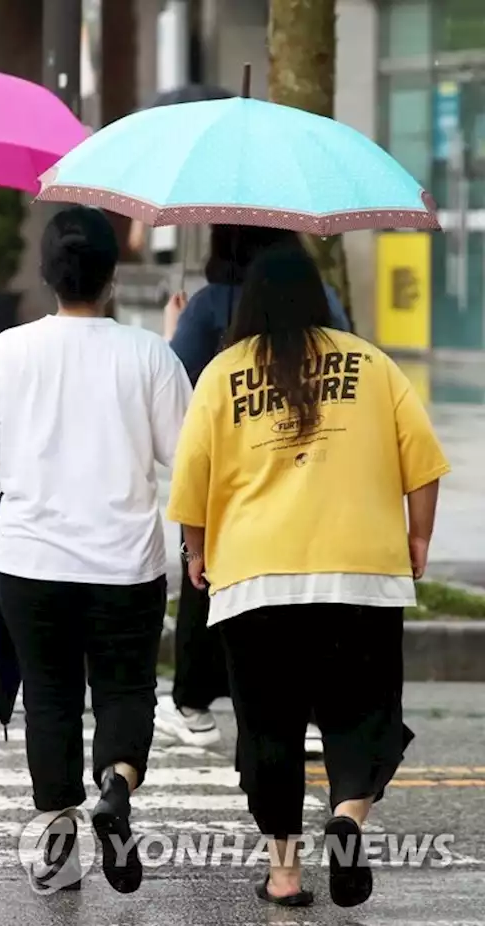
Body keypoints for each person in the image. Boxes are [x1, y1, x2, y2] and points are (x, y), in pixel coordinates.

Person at [166, 244, 449, 909]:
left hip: (255, 579)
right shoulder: (372, 364)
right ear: (319, 297)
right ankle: (348, 817)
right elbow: (424, 463)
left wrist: (197, 552)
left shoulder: (223, 373)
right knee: (363, 712)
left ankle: (285, 875)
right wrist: (418, 535)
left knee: (269, 729)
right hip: (360, 574)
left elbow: (191, 485)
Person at [0, 205, 192, 894]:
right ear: (112, 275)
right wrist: (172, 343)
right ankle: (116, 785)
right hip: (126, 563)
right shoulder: (148, 353)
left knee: (51, 696)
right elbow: (184, 455)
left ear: (48, 273)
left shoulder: (9, 350)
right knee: (125, 686)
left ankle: (58, 850)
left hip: (32, 564)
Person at [157, 224, 352, 755]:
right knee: (305, 588)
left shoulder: (208, 306)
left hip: (230, 475)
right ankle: (309, 711)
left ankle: (194, 706)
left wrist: (173, 324)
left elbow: (181, 392)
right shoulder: (325, 299)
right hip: (310, 468)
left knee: (205, 580)